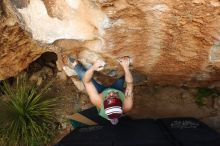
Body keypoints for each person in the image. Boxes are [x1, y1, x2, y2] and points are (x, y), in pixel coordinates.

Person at [63, 56, 133, 125]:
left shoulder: (97, 100)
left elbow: (87, 81)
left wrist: (93, 67)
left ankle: (76, 65)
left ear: (103, 103)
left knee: (82, 74)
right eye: (115, 96)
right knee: (122, 78)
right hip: (117, 89)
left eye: (108, 97)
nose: (111, 93)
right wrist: (125, 67)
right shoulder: (127, 105)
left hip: (101, 92)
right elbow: (129, 83)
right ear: (121, 103)